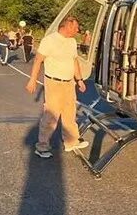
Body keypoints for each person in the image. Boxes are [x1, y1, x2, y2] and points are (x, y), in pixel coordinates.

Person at [25, 15, 89, 158]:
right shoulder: (49, 41)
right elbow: (38, 60)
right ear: (67, 26)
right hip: (54, 82)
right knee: (51, 115)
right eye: (76, 27)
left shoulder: (72, 42)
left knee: (70, 114)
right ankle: (42, 147)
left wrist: (79, 80)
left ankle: (71, 142)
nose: (78, 30)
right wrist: (32, 80)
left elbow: (74, 61)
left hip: (69, 83)